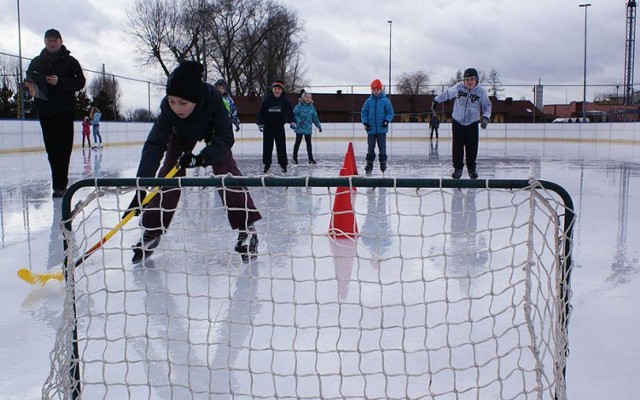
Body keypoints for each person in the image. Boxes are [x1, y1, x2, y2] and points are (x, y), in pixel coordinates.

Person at [127, 61, 262, 264]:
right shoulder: (168, 109)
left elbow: (225, 138)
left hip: (211, 132)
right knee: (168, 176)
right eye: (172, 101)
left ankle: (247, 228)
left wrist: (201, 158)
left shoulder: (214, 99)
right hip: (180, 135)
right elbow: (155, 144)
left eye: (183, 103)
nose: (177, 107)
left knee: (225, 170)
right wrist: (141, 186)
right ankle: (152, 231)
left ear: (196, 99)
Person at [24, 28, 86, 198]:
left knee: (64, 149)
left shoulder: (70, 61)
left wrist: (60, 82)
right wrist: (29, 87)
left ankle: (61, 184)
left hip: (65, 112)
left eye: (55, 40)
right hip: (45, 112)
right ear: (45, 41)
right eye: (49, 40)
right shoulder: (37, 62)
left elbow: (80, 82)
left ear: (60, 41)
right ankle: (57, 184)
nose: (52, 43)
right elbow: (28, 81)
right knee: (52, 150)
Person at [432, 68, 492, 179]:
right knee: (457, 146)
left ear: (476, 80)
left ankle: (471, 169)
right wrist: (436, 100)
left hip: (472, 122)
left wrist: (485, 117)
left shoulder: (481, 92)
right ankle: (458, 168)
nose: (469, 82)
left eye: (472, 79)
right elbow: (447, 94)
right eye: (466, 79)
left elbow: (487, 106)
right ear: (463, 80)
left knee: (472, 147)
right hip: (457, 121)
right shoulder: (459, 87)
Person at [256, 81, 296, 173]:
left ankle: (283, 165)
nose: (277, 90)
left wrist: (292, 122)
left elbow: (290, 113)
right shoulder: (267, 100)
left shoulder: (285, 101)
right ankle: (266, 164)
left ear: (282, 90)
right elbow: (261, 112)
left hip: (279, 128)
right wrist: (260, 123)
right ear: (272, 89)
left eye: (279, 89)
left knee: (281, 147)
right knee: (267, 147)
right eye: (275, 89)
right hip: (268, 128)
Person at [361, 78, 394, 174]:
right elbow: (364, 113)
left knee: (382, 147)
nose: (376, 91)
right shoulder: (368, 101)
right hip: (371, 130)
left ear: (381, 89)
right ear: (371, 90)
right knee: (370, 147)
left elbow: (390, 112)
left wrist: (386, 120)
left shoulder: (385, 101)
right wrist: (365, 123)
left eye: (377, 89)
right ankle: (369, 163)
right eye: (374, 89)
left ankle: (383, 162)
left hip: (381, 129)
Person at [292, 91, 322, 164]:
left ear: (311, 99)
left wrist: (319, 126)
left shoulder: (312, 108)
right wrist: (298, 121)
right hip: (299, 128)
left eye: (309, 97)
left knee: (309, 144)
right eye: (306, 97)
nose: (307, 99)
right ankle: (294, 158)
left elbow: (315, 118)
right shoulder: (298, 106)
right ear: (303, 98)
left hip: (308, 129)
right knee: (297, 143)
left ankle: (310, 159)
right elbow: (294, 115)